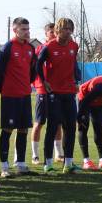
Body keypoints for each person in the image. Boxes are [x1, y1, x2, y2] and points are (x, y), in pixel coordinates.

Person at [36, 17, 81, 174]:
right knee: (52, 126)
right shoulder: (48, 46)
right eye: (65, 29)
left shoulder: (74, 46)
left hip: (69, 92)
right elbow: (37, 64)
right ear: (57, 31)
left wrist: (77, 80)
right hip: (54, 92)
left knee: (71, 127)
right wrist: (44, 81)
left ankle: (68, 163)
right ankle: (48, 164)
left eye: (70, 29)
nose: (68, 32)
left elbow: (74, 64)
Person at [0, 17, 37, 177]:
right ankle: (4, 166)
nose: (27, 32)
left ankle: (20, 163)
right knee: (7, 129)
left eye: (28, 29)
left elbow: (32, 72)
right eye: (23, 29)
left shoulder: (30, 48)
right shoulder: (7, 48)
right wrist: (4, 90)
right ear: (15, 30)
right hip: (10, 96)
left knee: (23, 129)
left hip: (25, 95)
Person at [31, 22, 62, 163]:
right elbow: (33, 68)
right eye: (51, 32)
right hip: (42, 90)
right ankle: (35, 155)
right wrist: (38, 83)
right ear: (46, 34)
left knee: (57, 123)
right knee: (39, 122)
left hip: (57, 90)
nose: (54, 35)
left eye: (56, 32)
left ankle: (58, 153)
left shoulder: (60, 48)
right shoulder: (39, 49)